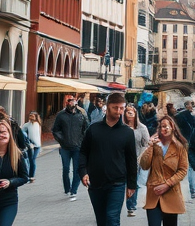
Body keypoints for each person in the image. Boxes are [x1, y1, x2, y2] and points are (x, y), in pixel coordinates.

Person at [79, 93, 138, 226]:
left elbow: (131, 160)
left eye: (121, 108)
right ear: (107, 107)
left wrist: (132, 184)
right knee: (101, 220)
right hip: (95, 182)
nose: (119, 111)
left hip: (117, 183)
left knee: (112, 218)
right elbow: (83, 152)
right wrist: (83, 172)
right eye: (115, 108)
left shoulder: (127, 133)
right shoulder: (93, 129)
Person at [140, 114, 188, 226]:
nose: (165, 128)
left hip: (171, 192)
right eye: (162, 126)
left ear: (172, 128)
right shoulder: (155, 145)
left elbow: (183, 170)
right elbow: (144, 165)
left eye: (167, 126)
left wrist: (167, 184)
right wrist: (150, 147)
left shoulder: (179, 147)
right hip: (154, 191)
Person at [51, 94, 89, 201]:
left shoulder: (81, 115)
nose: (72, 103)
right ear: (67, 103)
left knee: (77, 169)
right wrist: (62, 139)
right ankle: (67, 188)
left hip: (78, 147)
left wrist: (82, 141)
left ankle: (74, 191)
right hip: (65, 147)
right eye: (70, 101)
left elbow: (87, 129)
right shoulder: (61, 115)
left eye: (73, 101)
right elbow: (55, 130)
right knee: (66, 169)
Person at [124, 104, 151, 218]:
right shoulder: (120, 127)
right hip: (120, 159)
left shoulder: (142, 128)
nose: (129, 113)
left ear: (135, 114)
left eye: (132, 112)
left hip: (135, 160)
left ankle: (131, 207)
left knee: (132, 183)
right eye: (127, 112)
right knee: (120, 183)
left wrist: (141, 156)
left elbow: (147, 143)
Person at [174, 99, 195, 200]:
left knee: (187, 166)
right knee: (190, 166)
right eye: (191, 104)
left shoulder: (178, 116)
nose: (192, 106)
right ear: (187, 105)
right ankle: (193, 189)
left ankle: (193, 189)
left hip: (183, 142)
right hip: (190, 142)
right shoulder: (194, 115)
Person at [20, 112, 41, 183]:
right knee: (30, 160)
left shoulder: (37, 124)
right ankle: (29, 176)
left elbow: (37, 136)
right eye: (30, 116)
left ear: (36, 117)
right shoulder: (27, 125)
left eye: (32, 116)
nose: (31, 117)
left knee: (32, 160)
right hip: (30, 145)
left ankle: (31, 176)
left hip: (37, 145)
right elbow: (22, 132)